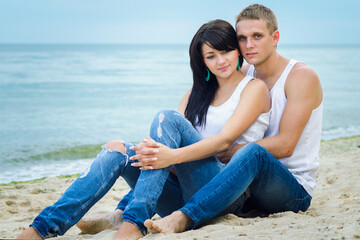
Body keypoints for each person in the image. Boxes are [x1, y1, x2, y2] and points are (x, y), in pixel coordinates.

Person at [16, 19, 270, 240]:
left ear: (237, 51)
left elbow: (224, 142)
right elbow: (168, 145)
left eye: (225, 51)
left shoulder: (253, 89)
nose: (220, 61)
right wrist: (144, 153)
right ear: (202, 62)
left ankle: (132, 221)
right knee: (117, 150)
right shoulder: (193, 95)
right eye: (211, 56)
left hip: (224, 193)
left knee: (165, 117)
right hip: (182, 197)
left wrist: (171, 157)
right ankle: (41, 228)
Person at [142, 4, 323, 234]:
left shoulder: (300, 76)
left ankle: (186, 216)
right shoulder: (244, 73)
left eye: (257, 36)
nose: (249, 45)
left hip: (292, 189)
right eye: (242, 38)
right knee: (149, 155)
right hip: (245, 188)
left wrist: (232, 148)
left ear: (275, 37)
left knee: (252, 152)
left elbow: (286, 145)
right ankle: (125, 213)